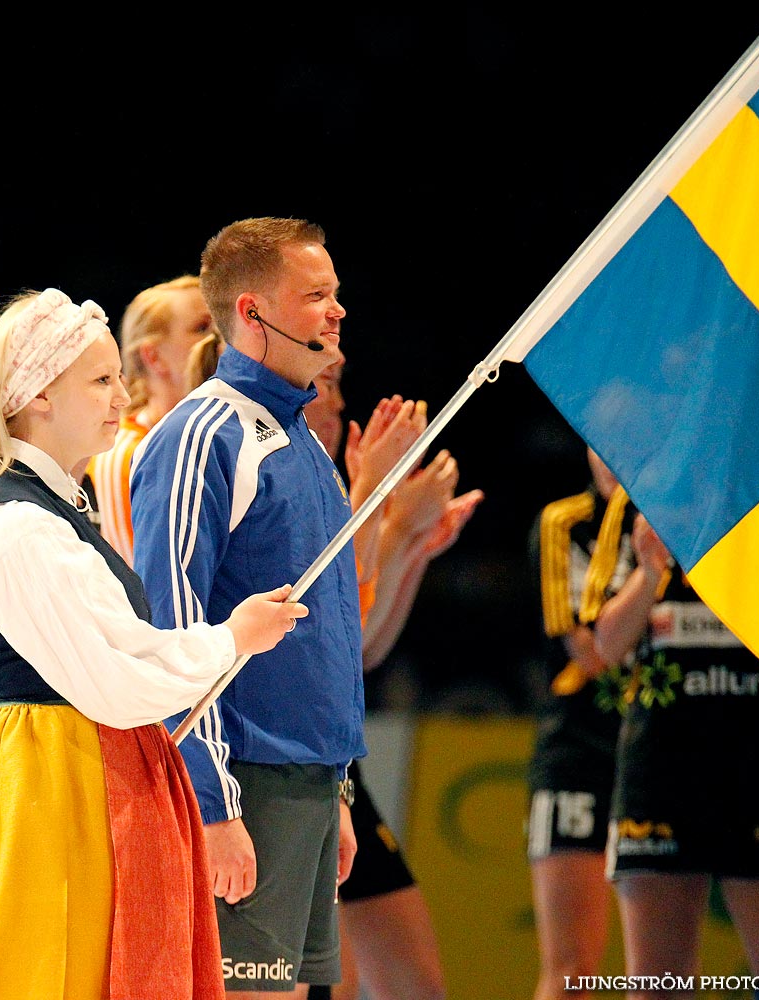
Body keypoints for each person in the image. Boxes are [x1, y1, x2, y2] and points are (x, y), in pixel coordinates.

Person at [0, 287, 308, 1000]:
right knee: (49, 972)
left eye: (118, 376)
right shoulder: (19, 524)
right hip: (53, 781)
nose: (122, 395)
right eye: (101, 380)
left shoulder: (52, 513)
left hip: (77, 767)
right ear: (39, 395)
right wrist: (231, 639)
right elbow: (115, 677)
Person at [130, 216, 366, 997]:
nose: (337, 310)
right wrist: (212, 805)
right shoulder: (203, 433)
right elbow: (172, 627)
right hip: (241, 782)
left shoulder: (302, 443)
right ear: (252, 313)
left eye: (335, 294)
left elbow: (324, 639)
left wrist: (334, 789)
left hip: (300, 783)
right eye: (316, 295)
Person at [301, 356, 483, 1000]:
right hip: (281, 761)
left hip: (336, 761)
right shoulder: (271, 478)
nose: (338, 404)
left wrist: (410, 547)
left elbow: (359, 649)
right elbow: (313, 630)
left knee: (415, 984)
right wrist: (381, 508)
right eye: (324, 388)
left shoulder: (325, 483)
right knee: (334, 983)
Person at [594, 512, 759, 1000]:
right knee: (657, 986)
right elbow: (605, 646)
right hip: (664, 775)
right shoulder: (641, 500)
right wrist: (649, 574)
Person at [524, 448, 634, 1000]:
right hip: (580, 752)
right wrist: (653, 583)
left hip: (668, 753)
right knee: (572, 974)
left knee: (660, 975)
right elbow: (591, 654)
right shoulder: (563, 523)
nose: (611, 453)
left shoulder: (690, 521)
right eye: (598, 437)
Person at [87, 274, 218, 565]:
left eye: (221, 326)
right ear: (153, 356)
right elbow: (137, 590)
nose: (219, 341)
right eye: (202, 328)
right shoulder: (121, 455)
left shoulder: (219, 440)